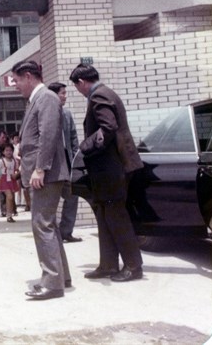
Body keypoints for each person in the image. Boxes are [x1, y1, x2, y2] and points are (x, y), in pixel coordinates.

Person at [69, 63, 144, 282]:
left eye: (77, 87)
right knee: (105, 215)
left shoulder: (99, 95)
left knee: (115, 215)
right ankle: (109, 265)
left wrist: (85, 145)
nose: (79, 91)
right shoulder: (105, 93)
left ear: (81, 82)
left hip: (112, 167)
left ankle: (133, 266)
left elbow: (108, 127)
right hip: (110, 167)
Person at [12, 61, 71, 301]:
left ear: (28, 76)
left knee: (42, 225)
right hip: (43, 173)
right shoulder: (38, 99)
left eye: (17, 80)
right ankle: (61, 277)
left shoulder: (46, 97)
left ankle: (52, 283)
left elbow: (48, 135)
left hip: (46, 174)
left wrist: (40, 168)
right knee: (49, 225)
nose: (16, 85)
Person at [48, 82, 82, 243]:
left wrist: (76, 159)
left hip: (67, 164)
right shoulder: (45, 113)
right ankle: (52, 235)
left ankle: (66, 231)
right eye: (62, 93)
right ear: (54, 95)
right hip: (51, 166)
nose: (65, 96)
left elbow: (73, 138)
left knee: (72, 197)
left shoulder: (67, 114)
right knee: (51, 201)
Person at [0, 143, 20, 223]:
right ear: (3, 152)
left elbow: (17, 170)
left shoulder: (14, 161)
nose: (8, 152)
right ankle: (8, 215)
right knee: (9, 196)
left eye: (10, 150)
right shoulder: (1, 161)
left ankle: (10, 214)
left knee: (11, 198)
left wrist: (16, 174)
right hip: (4, 180)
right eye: (6, 150)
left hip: (12, 180)